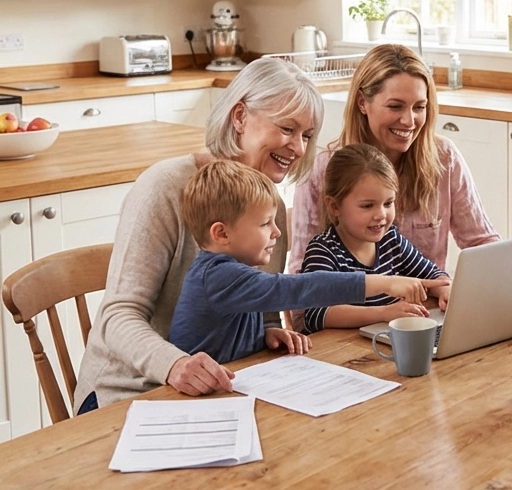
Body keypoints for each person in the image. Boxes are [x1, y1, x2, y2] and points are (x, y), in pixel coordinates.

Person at [74, 55, 324, 412]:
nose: (299, 148)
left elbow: (260, 303)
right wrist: (174, 365)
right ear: (240, 117)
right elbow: (118, 316)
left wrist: (268, 331)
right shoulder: (163, 189)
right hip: (129, 391)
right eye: (287, 129)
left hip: (220, 386)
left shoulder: (270, 206)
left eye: (306, 136)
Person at [169, 159, 434, 363]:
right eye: (265, 224)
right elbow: (297, 288)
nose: (277, 232)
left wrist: (264, 336)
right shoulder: (217, 276)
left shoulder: (236, 273)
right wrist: (382, 283)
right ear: (222, 233)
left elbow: (227, 335)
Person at [289, 43, 498, 277]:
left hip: (427, 311)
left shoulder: (444, 159)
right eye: (395, 106)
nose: (409, 121)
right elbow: (300, 277)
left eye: (419, 107)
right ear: (362, 102)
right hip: (359, 313)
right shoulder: (321, 171)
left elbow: (483, 244)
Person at [300, 143, 451, 331]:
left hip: (378, 344)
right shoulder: (323, 251)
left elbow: (432, 276)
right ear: (334, 206)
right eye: (367, 206)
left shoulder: (391, 240)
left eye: (388, 203)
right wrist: (383, 313)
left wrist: (444, 289)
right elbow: (317, 315)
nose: (381, 215)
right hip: (339, 352)